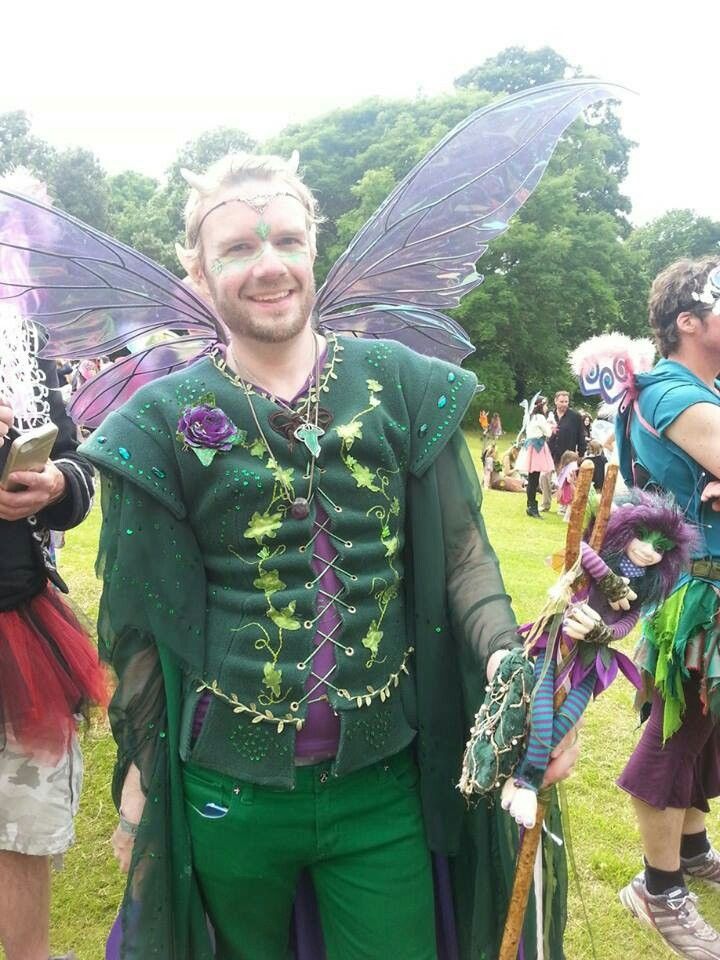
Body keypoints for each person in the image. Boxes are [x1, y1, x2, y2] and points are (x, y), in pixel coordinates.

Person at [81, 153, 578, 960]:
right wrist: (143, 789)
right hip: (227, 794)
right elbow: (141, 625)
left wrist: (504, 671)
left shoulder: (404, 386)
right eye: (238, 247)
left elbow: (464, 560)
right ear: (199, 273)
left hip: (381, 786)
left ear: (316, 248)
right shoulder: (158, 422)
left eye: (286, 238)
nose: (268, 264)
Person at [614, 256, 720, 959]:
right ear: (689, 320)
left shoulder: (694, 388)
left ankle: (691, 848)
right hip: (697, 595)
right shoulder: (668, 390)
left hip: (705, 586)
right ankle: (656, 889)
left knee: (705, 726)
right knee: (678, 729)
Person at [0, 358, 104, 960]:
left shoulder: (18, 342)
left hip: (18, 620)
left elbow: (74, 464)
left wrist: (59, 483)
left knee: (22, 820)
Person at [516, 395, 554, 519]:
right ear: (541, 406)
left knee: (532, 479)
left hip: (531, 447)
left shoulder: (532, 417)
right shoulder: (541, 417)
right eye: (545, 405)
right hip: (537, 448)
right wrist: (550, 423)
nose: (547, 407)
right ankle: (532, 507)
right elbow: (548, 433)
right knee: (534, 479)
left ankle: (530, 505)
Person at [548, 390, 586, 466]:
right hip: (549, 456)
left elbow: (581, 436)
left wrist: (581, 454)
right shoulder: (549, 415)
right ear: (555, 401)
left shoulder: (575, 416)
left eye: (566, 402)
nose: (564, 404)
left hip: (567, 458)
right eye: (561, 402)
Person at [555, 450, 579, 519]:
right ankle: (562, 509)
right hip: (567, 485)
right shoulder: (571, 466)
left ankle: (562, 508)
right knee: (567, 497)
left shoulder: (564, 467)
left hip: (564, 485)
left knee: (564, 496)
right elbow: (569, 476)